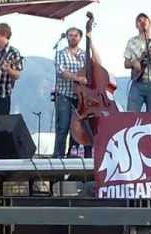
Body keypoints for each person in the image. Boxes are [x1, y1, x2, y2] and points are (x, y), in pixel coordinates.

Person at [53, 27, 100, 158]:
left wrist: (91, 43)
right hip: (65, 95)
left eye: (75, 35)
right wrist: (78, 78)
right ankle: (58, 158)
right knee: (63, 127)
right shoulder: (61, 53)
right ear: (67, 37)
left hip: (82, 98)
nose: (73, 37)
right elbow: (61, 71)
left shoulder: (84, 54)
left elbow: (98, 63)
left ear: (80, 38)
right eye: (70, 35)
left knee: (81, 130)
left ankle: (72, 157)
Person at [124, 13, 151, 112]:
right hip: (137, 82)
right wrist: (133, 63)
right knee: (131, 116)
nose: (142, 22)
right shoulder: (131, 41)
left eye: (145, 20)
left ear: (150, 24)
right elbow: (126, 63)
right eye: (139, 21)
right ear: (136, 25)